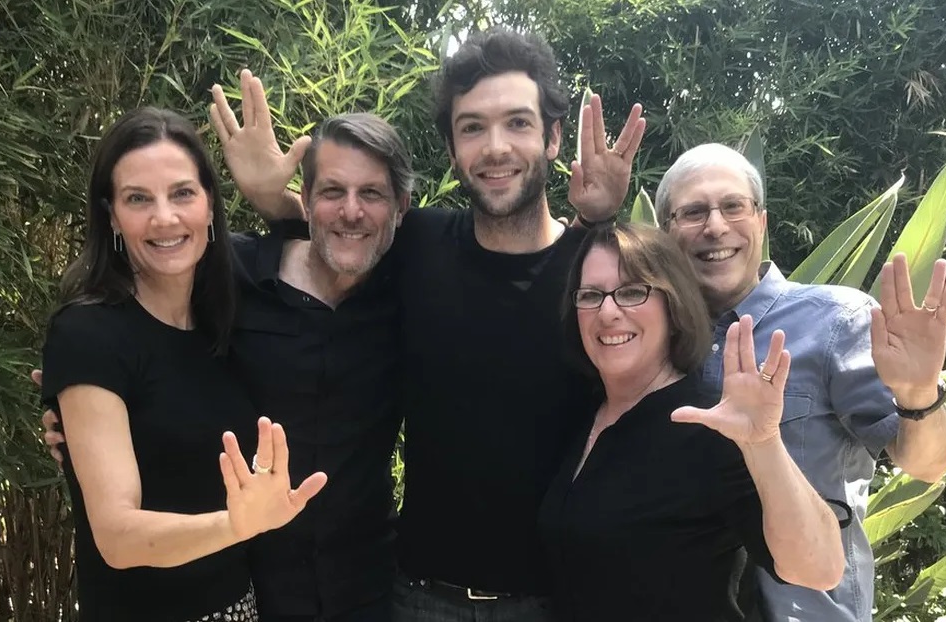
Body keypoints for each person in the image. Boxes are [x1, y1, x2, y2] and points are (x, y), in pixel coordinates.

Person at [210, 28, 646, 621]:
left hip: (555, 601)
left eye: (517, 123)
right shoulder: (417, 246)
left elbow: (665, 375)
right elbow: (348, 230)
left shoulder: (595, 280)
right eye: (472, 127)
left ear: (553, 138)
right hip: (417, 598)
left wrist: (598, 218)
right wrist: (275, 200)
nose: (495, 147)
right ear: (451, 146)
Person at [41, 96, 414, 621]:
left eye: (182, 194)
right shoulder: (227, 287)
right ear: (112, 214)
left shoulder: (418, 284)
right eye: (138, 199)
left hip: (358, 591)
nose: (165, 218)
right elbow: (117, 527)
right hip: (251, 586)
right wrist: (80, 412)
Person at [655, 143, 946, 621]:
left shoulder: (837, 321)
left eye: (733, 206)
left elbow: (927, 466)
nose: (715, 226)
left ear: (761, 221)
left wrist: (918, 393)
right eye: (692, 212)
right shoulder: (651, 340)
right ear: (665, 234)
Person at [539, 222, 844, 621]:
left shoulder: (709, 427)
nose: (608, 311)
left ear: (673, 304)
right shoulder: (584, 413)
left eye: (632, 291)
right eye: (591, 295)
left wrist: (763, 443)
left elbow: (818, 568)